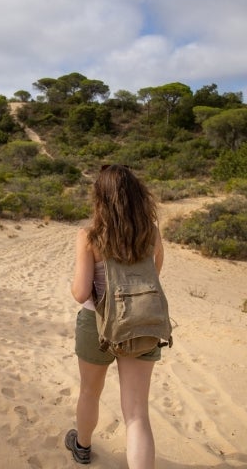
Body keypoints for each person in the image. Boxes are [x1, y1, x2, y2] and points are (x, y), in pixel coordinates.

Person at [66, 164, 165, 468]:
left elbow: (81, 293)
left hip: (96, 325)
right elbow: (154, 275)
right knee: (136, 414)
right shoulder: (151, 234)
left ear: (100, 198)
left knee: (89, 392)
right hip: (142, 325)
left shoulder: (89, 236)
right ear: (137, 196)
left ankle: (82, 447)